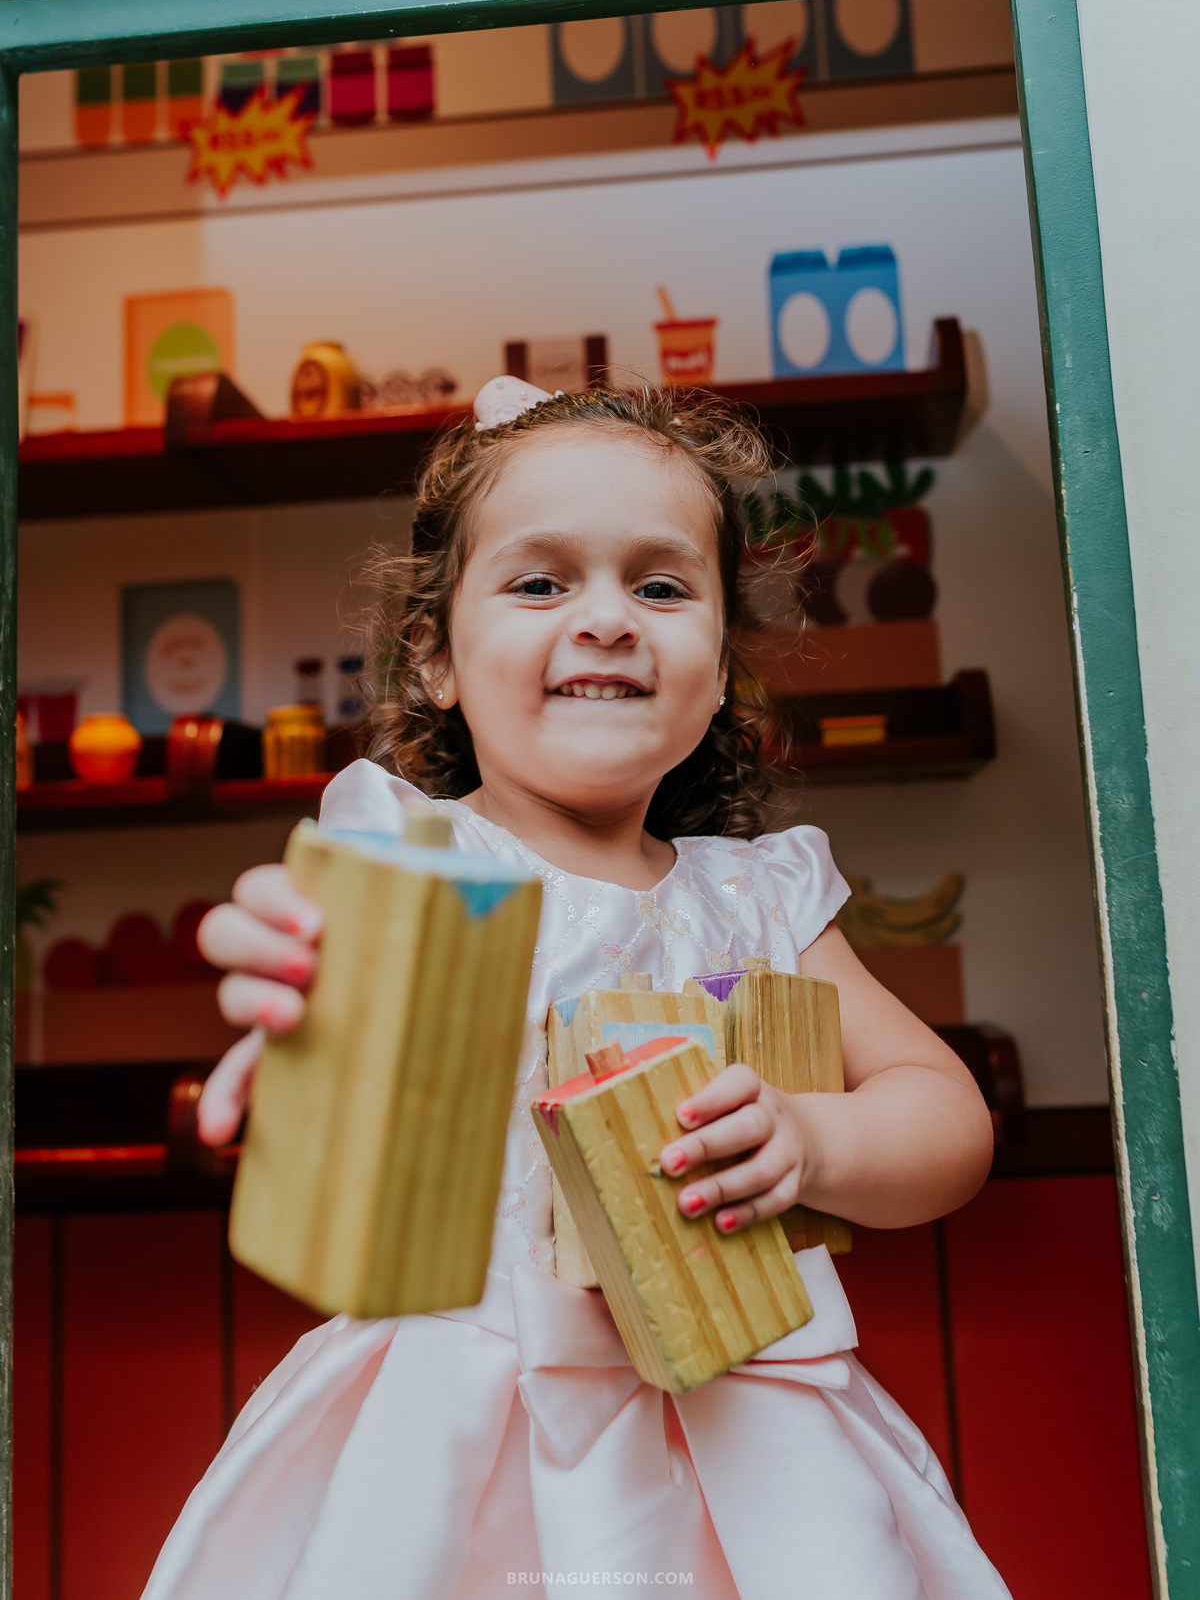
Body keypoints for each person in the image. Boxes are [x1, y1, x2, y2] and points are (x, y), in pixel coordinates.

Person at [144, 379, 1007, 1600]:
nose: (605, 618)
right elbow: (347, 1011)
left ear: (718, 679)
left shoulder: (760, 902)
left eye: (659, 586)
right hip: (457, 1441)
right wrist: (302, 983)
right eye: (541, 582)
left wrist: (817, 1139)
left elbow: (948, 1119)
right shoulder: (419, 861)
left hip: (749, 1442)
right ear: (435, 657)